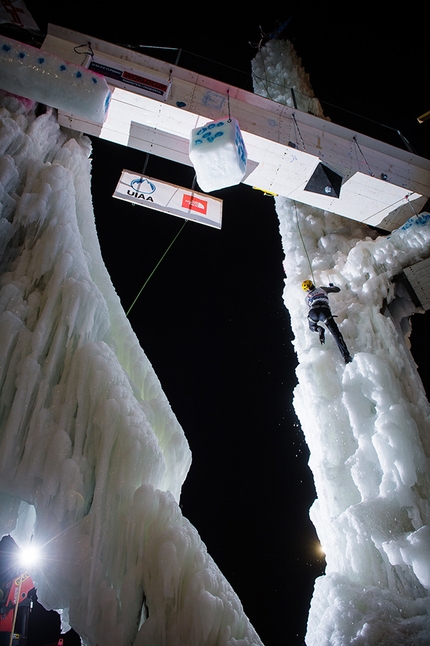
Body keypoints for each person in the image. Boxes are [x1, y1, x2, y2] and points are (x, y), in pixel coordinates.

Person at [302, 280, 353, 364]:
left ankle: (319, 329)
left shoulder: (306, 298)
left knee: (312, 327)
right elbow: (337, 289)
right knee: (336, 334)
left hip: (313, 312)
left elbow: (310, 305)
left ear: (306, 290)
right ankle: (346, 356)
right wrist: (331, 286)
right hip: (324, 311)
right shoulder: (322, 289)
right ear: (312, 284)